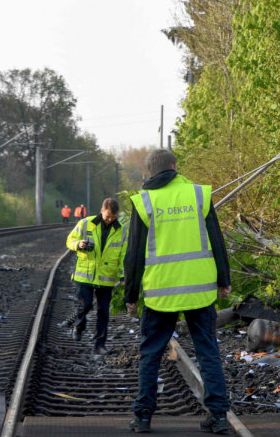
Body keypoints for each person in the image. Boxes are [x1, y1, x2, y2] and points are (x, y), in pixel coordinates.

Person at [124, 149, 231, 434]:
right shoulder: (197, 194)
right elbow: (216, 240)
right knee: (208, 351)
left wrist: (131, 295)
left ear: (149, 172)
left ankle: (143, 417)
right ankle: (219, 417)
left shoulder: (144, 201)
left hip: (161, 292)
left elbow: (134, 253)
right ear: (174, 166)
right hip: (199, 289)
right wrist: (224, 280)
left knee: (150, 354)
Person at [66, 198, 127, 355]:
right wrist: (78, 244)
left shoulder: (121, 230)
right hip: (84, 275)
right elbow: (70, 240)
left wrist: (123, 276)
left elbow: (123, 256)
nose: (109, 219)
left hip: (106, 277)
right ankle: (79, 325)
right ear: (102, 211)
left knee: (103, 313)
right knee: (84, 305)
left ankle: (99, 344)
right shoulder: (85, 223)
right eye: (107, 216)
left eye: (113, 217)